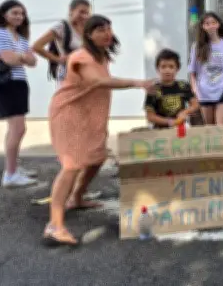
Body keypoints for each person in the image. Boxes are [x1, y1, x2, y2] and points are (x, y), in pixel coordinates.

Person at [44, 15, 155, 246]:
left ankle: (76, 198)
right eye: (99, 29)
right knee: (72, 165)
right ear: (88, 34)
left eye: (108, 28)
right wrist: (137, 83)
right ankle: (55, 224)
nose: (106, 33)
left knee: (96, 158)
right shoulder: (81, 57)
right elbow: (100, 81)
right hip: (69, 113)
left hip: (89, 114)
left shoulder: (102, 56)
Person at [0, 0, 38, 188]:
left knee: (14, 129)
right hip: (5, 84)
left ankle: (13, 168)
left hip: (19, 83)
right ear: (4, 14)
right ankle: (11, 175)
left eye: (22, 14)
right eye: (15, 12)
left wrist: (20, 58)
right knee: (18, 129)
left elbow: (33, 62)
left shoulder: (21, 38)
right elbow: (9, 59)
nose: (19, 17)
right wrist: (22, 57)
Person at [189, 12, 223, 125]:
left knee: (220, 128)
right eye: (207, 23)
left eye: (213, 22)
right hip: (204, 91)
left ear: (218, 24)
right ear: (203, 27)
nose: (211, 26)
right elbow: (192, 70)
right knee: (210, 128)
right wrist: (194, 88)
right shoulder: (197, 46)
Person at [32, 0, 91, 84]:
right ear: (71, 11)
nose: (85, 16)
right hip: (68, 74)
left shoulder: (88, 29)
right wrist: (57, 59)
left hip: (86, 73)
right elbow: (37, 46)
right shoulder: (62, 27)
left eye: (87, 13)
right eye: (81, 12)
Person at [145, 49, 199, 128]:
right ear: (157, 69)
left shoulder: (183, 86)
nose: (167, 70)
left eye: (171, 67)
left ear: (177, 69)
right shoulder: (152, 90)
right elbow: (150, 117)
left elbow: (195, 104)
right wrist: (169, 122)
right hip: (160, 131)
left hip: (180, 128)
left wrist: (185, 112)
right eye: (163, 67)